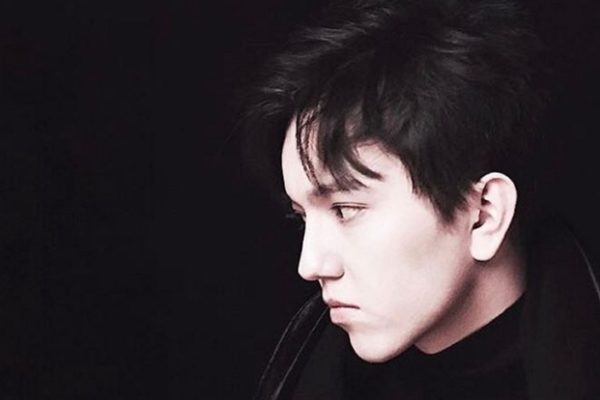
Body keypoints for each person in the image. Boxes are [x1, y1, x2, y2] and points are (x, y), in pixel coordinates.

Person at [242, 0, 600, 398]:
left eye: (345, 209)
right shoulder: (307, 370)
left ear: (485, 215)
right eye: (303, 218)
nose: (310, 265)